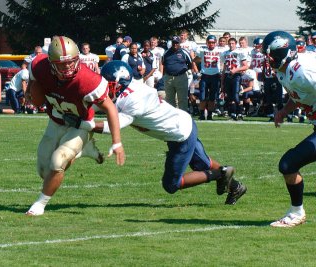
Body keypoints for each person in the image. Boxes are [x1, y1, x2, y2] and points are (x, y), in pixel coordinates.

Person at [65, 60, 247, 205]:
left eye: (109, 84)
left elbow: (113, 126)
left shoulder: (132, 101)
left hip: (180, 135)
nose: (105, 88)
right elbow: (101, 104)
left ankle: (220, 174)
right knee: (202, 164)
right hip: (183, 124)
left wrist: (82, 124)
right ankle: (235, 186)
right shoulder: (131, 89)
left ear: (119, 83)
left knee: (171, 185)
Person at [25, 36, 125, 216]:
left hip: (80, 124)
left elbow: (110, 107)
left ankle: (40, 204)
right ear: (51, 63)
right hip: (56, 121)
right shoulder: (39, 66)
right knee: (44, 171)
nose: (68, 67)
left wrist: (117, 143)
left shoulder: (88, 80)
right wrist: (29, 93)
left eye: (71, 62)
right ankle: (84, 150)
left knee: (57, 162)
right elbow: (33, 81)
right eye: (62, 64)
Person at [262, 30, 316, 227]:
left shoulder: (304, 71)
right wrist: (283, 112)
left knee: (288, 164)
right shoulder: (285, 70)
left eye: (272, 55)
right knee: (288, 165)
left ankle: (296, 214)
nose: (269, 59)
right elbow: (297, 95)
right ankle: (296, 213)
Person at [194, 35, 223, 120]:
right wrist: (197, 71)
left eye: (213, 42)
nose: (211, 44)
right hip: (205, 76)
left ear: (215, 43)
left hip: (215, 76)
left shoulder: (220, 51)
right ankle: (202, 114)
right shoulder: (202, 51)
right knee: (202, 97)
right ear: (207, 43)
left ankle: (210, 114)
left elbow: (225, 61)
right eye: (209, 42)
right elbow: (195, 61)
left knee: (212, 97)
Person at [162, 35, 195, 112]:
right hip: (169, 78)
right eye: (174, 43)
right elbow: (163, 64)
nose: (175, 44)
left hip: (181, 77)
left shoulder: (184, 52)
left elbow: (190, 64)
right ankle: (171, 117)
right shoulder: (166, 53)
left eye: (177, 43)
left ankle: (183, 117)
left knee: (182, 99)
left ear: (179, 43)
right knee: (169, 100)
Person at [220, 37, 249, 120]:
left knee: (236, 95)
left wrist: (236, 70)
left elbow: (246, 66)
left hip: (236, 76)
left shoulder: (240, 52)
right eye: (229, 43)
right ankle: (233, 113)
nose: (231, 45)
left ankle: (240, 112)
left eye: (233, 43)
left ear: (235, 44)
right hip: (227, 76)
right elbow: (224, 69)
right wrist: (222, 82)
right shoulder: (225, 53)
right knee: (229, 96)